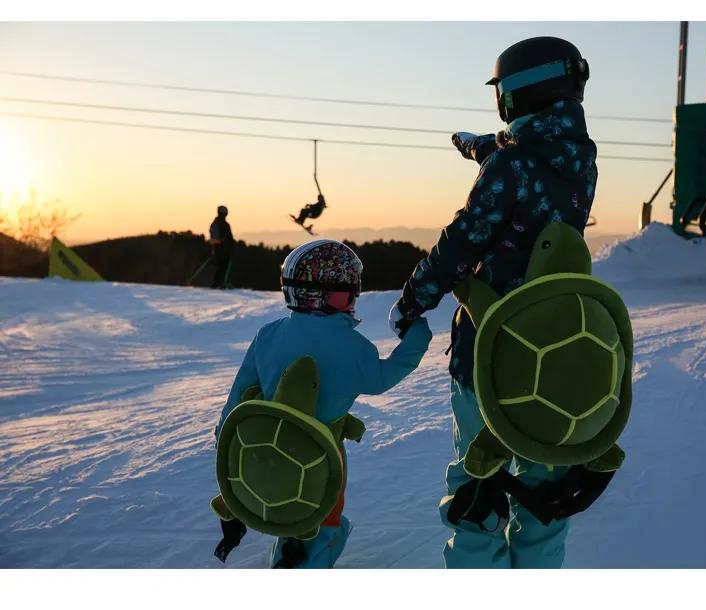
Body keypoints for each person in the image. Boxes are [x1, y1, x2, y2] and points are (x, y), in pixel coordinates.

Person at [388, 36, 598, 569]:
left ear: (517, 94)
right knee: (541, 490)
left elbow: (461, 243)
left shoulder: (509, 167)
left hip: (489, 351)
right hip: (551, 353)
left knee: (476, 488)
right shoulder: (581, 159)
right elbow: (528, 167)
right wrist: (482, 147)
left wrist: (413, 300)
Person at [216, 239, 432, 568]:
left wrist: (225, 443)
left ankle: (288, 555)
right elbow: (384, 377)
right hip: (322, 456)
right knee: (320, 520)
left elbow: (237, 399)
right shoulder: (354, 347)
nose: (352, 301)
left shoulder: (268, 335)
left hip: (264, 453)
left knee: (288, 509)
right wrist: (417, 335)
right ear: (325, 294)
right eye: (348, 293)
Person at [209, 205, 235, 288]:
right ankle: (219, 282)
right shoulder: (225, 224)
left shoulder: (215, 223)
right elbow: (228, 237)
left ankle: (218, 282)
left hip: (217, 248)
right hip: (224, 249)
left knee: (221, 266)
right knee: (223, 266)